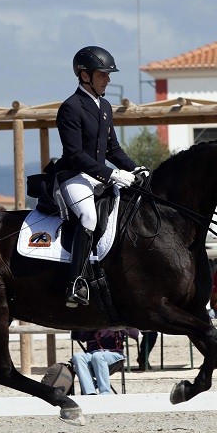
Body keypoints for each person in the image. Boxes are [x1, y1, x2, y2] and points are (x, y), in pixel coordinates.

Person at [53, 46, 145, 307]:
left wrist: (136, 168)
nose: (108, 79)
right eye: (103, 74)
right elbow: (75, 154)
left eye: (108, 74)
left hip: (98, 176)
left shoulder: (104, 106)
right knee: (89, 216)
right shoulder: (70, 108)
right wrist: (112, 174)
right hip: (74, 176)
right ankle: (76, 282)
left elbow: (113, 148)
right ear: (85, 76)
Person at [71, 328, 139, 395]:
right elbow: (81, 337)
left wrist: (119, 326)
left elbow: (135, 334)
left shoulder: (116, 320)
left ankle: (105, 394)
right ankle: (90, 393)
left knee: (98, 356)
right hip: (92, 354)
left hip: (114, 353)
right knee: (78, 357)